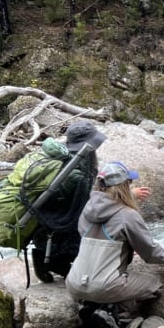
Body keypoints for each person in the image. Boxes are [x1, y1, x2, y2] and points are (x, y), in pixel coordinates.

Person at [65, 161, 164, 328]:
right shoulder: (128, 215)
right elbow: (150, 254)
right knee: (154, 284)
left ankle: (91, 306)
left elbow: (99, 236)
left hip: (74, 283)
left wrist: (125, 248)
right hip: (104, 286)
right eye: (129, 183)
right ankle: (113, 310)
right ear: (124, 187)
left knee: (107, 280)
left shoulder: (87, 210)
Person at [30, 120, 107, 283]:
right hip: (59, 220)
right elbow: (87, 201)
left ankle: (49, 258)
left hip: (46, 220)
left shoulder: (67, 157)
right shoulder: (74, 168)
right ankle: (51, 260)